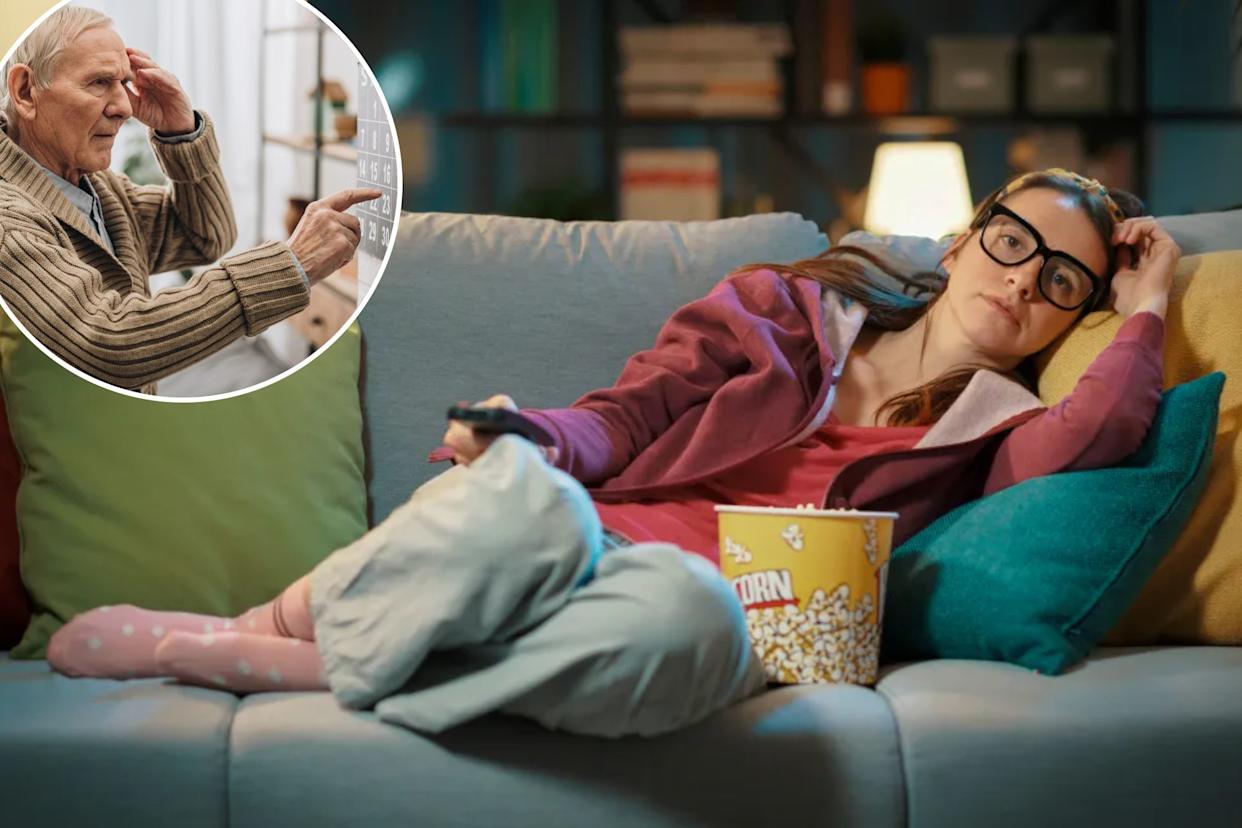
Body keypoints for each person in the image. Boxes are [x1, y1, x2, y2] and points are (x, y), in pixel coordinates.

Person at [45, 168, 1179, 739]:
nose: (1025, 280)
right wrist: (527, 435)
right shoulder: (781, 309)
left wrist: (1152, 303)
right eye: (1015, 242)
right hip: (573, 541)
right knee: (526, 490)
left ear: (1071, 314)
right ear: (965, 234)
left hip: (726, 613)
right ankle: (264, 631)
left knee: (685, 619)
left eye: (1063, 281)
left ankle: (311, 663)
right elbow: (626, 418)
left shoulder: (990, 433)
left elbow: (1108, 432)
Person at [0, 6, 379, 393]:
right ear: (26, 91)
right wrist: (292, 264)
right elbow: (110, 343)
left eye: (124, 83)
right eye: (99, 82)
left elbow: (205, 236)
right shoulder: (8, 219)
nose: (125, 108)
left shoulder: (99, 189)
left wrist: (181, 133)